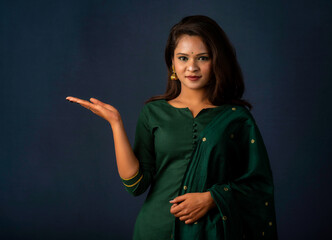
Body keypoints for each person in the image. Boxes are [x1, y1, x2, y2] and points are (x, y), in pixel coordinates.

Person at [66, 15, 277, 240]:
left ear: (216, 61)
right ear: (172, 63)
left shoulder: (236, 119)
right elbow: (136, 185)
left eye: (202, 58)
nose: (192, 67)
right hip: (156, 229)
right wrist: (116, 124)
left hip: (212, 232)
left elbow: (259, 186)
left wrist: (213, 198)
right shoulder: (154, 112)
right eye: (183, 58)